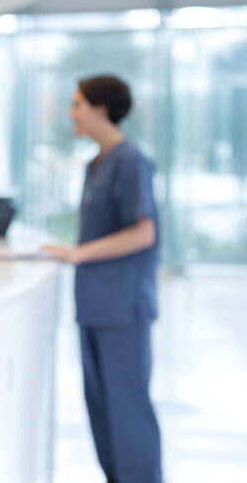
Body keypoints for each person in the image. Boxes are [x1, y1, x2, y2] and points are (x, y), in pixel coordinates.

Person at [43, 75, 163, 483]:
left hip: (122, 307)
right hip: (95, 306)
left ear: (101, 110)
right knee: (102, 410)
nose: (71, 112)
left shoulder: (130, 160)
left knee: (127, 410)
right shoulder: (97, 163)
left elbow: (143, 231)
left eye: (77, 104)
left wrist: (79, 253)